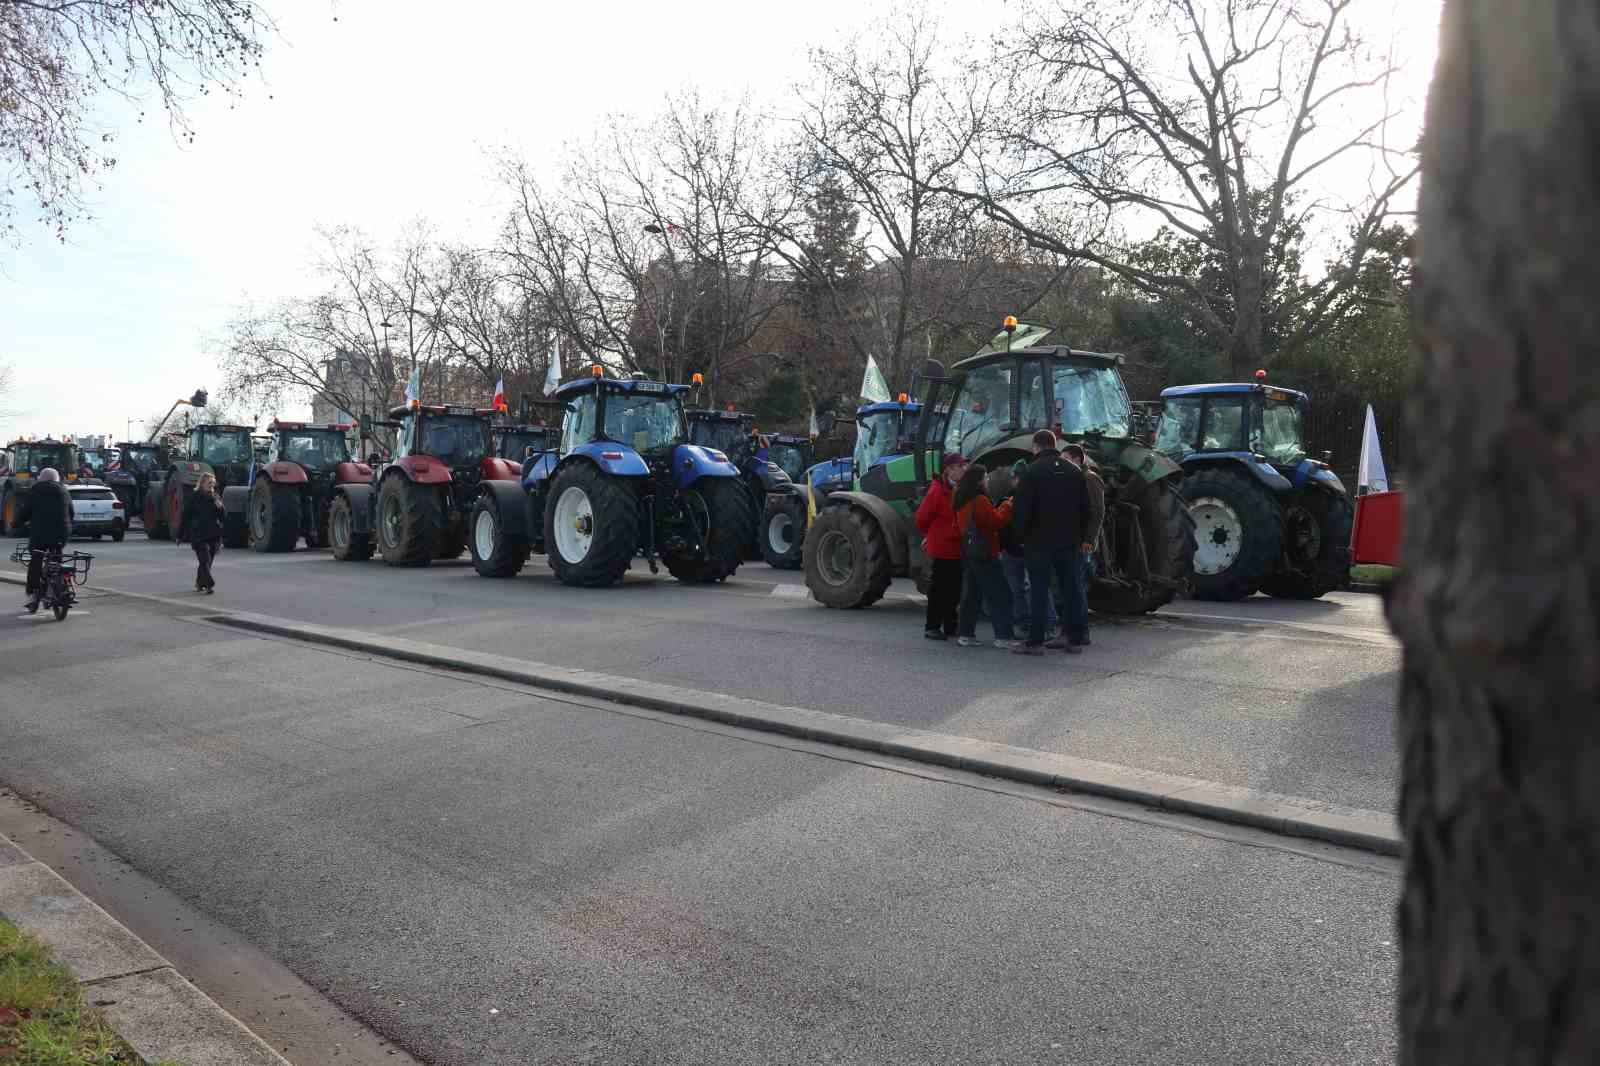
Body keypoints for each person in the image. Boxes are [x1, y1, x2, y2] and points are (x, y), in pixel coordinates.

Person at [1010, 429, 1090, 655]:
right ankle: (1074, 639)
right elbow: (1086, 509)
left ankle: (1035, 642)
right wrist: (1081, 536)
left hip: (1038, 542)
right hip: (1068, 541)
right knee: (1071, 589)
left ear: (1036, 446)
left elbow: (1021, 511)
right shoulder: (1074, 472)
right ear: (1054, 445)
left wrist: (1019, 539)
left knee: (1038, 590)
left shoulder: (1031, 472)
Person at [952, 462, 1019, 648]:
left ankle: (966, 634)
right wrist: (1007, 506)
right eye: (986, 477)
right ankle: (1004, 636)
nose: (988, 480)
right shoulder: (980, 500)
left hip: (969, 552)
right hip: (985, 553)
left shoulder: (960, 499)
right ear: (978, 481)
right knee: (1000, 594)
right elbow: (995, 522)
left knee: (971, 595)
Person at [999, 460, 1057, 639]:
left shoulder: (1023, 499)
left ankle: (1043, 624)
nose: (1015, 481)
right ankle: (1033, 624)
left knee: (1029, 588)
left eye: (1016, 478)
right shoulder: (1010, 499)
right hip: (1019, 550)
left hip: (1025, 550)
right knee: (1026, 588)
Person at [915, 452, 968, 641]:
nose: (964, 469)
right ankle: (932, 626)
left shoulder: (958, 488)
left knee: (954, 588)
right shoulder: (937, 491)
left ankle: (950, 625)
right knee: (939, 589)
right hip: (942, 548)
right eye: (960, 466)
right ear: (950, 470)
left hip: (956, 547)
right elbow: (922, 518)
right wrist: (932, 535)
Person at [1063, 443, 1106, 644]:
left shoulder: (1089, 479)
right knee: (1073, 586)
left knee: (1076, 586)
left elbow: (1097, 511)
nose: (1062, 463)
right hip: (1074, 540)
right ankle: (1076, 631)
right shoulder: (1076, 478)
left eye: (1065, 459)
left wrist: (1089, 540)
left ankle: (1080, 632)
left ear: (1077, 460)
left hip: (1082, 543)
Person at [17, 468, 71, 610]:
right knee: (57, 558)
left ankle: (32, 594)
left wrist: (15, 524)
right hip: (62, 533)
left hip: (40, 534)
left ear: (41, 478)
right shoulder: (64, 490)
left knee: (36, 561)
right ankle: (58, 585)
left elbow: (25, 511)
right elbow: (71, 512)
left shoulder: (35, 490)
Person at [176, 472, 225, 594]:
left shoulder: (215, 497)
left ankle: (199, 583)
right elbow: (185, 516)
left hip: (213, 535)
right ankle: (209, 585)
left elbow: (223, 518)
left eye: (213, 483)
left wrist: (221, 508)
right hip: (198, 535)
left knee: (207, 563)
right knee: (205, 560)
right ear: (202, 483)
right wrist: (179, 535)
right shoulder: (194, 497)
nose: (212, 485)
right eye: (209, 483)